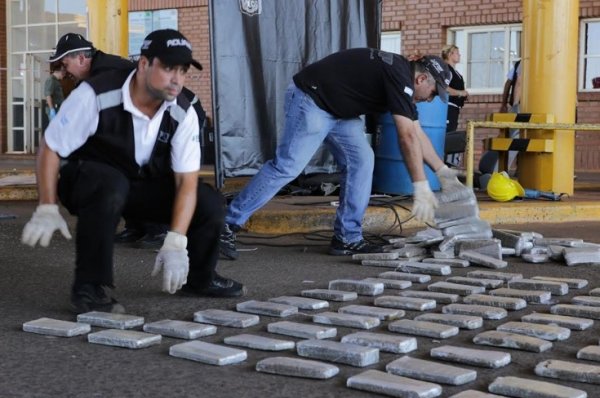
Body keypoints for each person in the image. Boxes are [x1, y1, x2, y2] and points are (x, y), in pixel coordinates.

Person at [22, 29, 245, 314]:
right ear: (143, 64)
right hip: (87, 181)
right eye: (167, 68)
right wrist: (47, 206)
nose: (176, 79)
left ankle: (200, 278)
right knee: (110, 183)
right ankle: (89, 287)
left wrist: (176, 240)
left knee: (209, 201)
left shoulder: (183, 111)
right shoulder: (96, 94)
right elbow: (50, 147)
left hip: (139, 184)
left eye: (183, 70)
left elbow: (186, 182)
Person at [219, 49, 465, 259]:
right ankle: (226, 224)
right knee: (288, 167)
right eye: (434, 93)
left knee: (362, 161)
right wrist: (420, 185)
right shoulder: (399, 78)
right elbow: (407, 137)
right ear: (422, 79)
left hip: (340, 111)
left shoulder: (404, 78)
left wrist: (442, 172)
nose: (432, 99)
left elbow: (417, 132)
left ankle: (347, 237)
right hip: (312, 99)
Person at [48, 32, 201, 249]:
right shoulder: (95, 77)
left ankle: (160, 229)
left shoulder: (106, 73)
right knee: (124, 160)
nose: (64, 72)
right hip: (160, 110)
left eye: (65, 64)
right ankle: (136, 226)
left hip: (179, 111)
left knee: (153, 167)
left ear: (81, 59)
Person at [441, 45, 469, 133]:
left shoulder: (455, 72)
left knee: (451, 132)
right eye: (457, 53)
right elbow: (443, 87)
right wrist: (460, 93)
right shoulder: (446, 69)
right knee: (447, 134)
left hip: (454, 108)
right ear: (450, 54)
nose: (459, 55)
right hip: (447, 108)